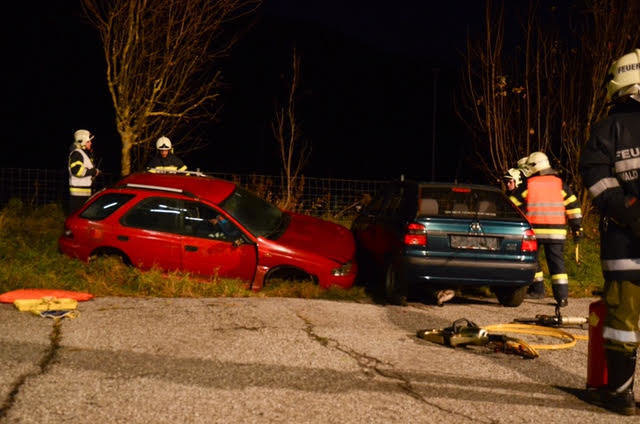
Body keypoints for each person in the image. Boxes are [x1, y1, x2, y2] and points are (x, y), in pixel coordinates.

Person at [580, 48, 640, 415]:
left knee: (622, 321)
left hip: (624, 243)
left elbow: (597, 177)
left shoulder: (608, 128)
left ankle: (619, 394)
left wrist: (630, 214)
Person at [509, 151, 583, 306]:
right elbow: (573, 206)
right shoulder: (560, 184)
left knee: (533, 261)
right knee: (557, 265)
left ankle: (538, 290)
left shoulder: (529, 185)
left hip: (534, 232)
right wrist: (577, 227)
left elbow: (511, 203)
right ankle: (562, 298)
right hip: (557, 233)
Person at [68, 129, 100, 213]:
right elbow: (77, 170)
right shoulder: (77, 153)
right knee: (77, 217)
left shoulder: (82, 153)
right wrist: (93, 172)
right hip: (78, 195)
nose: (91, 143)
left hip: (83, 193)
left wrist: (94, 172)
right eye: (88, 141)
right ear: (83, 142)